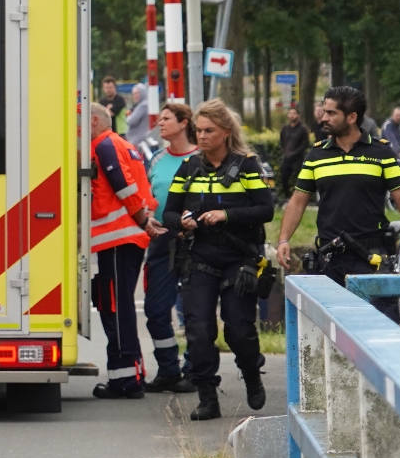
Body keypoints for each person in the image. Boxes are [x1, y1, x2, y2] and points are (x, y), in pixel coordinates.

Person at [276, 86, 400, 323]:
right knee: (329, 332)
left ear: (351, 117)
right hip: (330, 258)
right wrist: (284, 239)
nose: (324, 118)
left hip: (372, 257)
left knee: (380, 329)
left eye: (331, 113)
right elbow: (298, 201)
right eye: (325, 112)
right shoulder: (317, 155)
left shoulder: (381, 152)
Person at [164, 101, 274, 421]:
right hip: (198, 257)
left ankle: (252, 375)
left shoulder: (248, 166)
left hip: (238, 257)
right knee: (199, 330)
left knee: (238, 329)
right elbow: (168, 212)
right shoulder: (188, 168)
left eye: (209, 130)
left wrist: (226, 215)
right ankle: (207, 396)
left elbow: (266, 210)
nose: (201, 136)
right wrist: (181, 221)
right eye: (198, 130)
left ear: (226, 133)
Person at [88, 102, 157, 399]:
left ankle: (126, 379)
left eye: (79, 122)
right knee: (116, 306)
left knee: (116, 308)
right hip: (122, 239)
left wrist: (143, 221)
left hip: (117, 238)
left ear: (93, 121)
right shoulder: (121, 144)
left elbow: (124, 187)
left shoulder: (104, 145)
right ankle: (127, 374)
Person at [141, 102, 196, 393]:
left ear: (184, 122)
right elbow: (149, 197)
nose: (160, 124)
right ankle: (168, 369)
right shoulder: (158, 159)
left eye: (166, 119)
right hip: (161, 239)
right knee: (155, 309)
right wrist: (148, 218)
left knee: (193, 311)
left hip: (192, 240)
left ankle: (193, 370)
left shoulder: (200, 159)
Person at [276, 106, 310, 202]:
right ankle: (287, 196)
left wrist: (295, 153)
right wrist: (285, 151)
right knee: (283, 177)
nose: (292, 116)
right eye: (290, 113)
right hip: (287, 158)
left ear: (298, 115)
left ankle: (300, 198)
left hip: (298, 158)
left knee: (299, 178)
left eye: (294, 113)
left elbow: (305, 143)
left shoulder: (303, 129)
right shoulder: (285, 128)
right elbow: (282, 141)